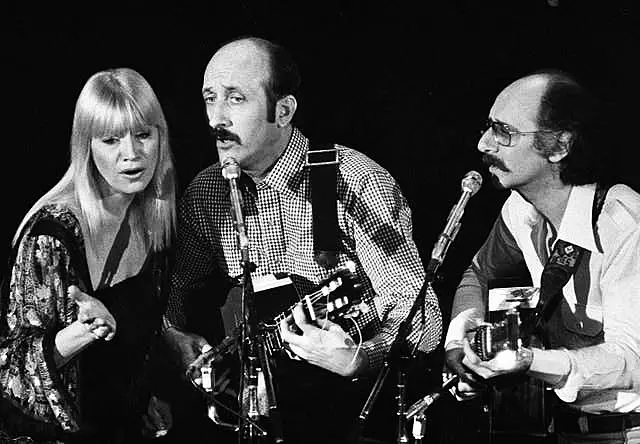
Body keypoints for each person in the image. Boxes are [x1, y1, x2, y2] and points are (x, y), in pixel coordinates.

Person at [161, 36, 443, 444]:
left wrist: (361, 358)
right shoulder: (207, 192)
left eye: (236, 99)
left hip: (346, 419)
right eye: (210, 99)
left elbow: (423, 317)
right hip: (255, 420)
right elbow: (180, 296)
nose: (215, 119)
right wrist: (174, 334)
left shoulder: (353, 182)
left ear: (284, 110)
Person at [443, 68, 640, 443]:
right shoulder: (519, 210)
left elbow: (633, 362)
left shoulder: (625, 223)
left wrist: (530, 362)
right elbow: (478, 275)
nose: (484, 144)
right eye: (487, 128)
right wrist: (460, 340)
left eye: (504, 132)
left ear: (560, 145)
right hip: (561, 428)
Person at [0, 68, 177, 443]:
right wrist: (83, 332)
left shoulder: (153, 217)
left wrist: (143, 398)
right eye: (111, 140)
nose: (131, 154)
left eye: (144, 135)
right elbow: (11, 373)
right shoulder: (52, 235)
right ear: (87, 146)